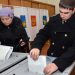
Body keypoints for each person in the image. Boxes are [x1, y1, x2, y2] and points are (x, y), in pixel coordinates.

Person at [30, 0, 75, 74]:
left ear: (73, 10)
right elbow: (43, 34)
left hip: (67, 60)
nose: (62, 15)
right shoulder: (54, 20)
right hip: (51, 57)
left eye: (66, 13)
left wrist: (58, 63)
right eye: (60, 11)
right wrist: (36, 46)